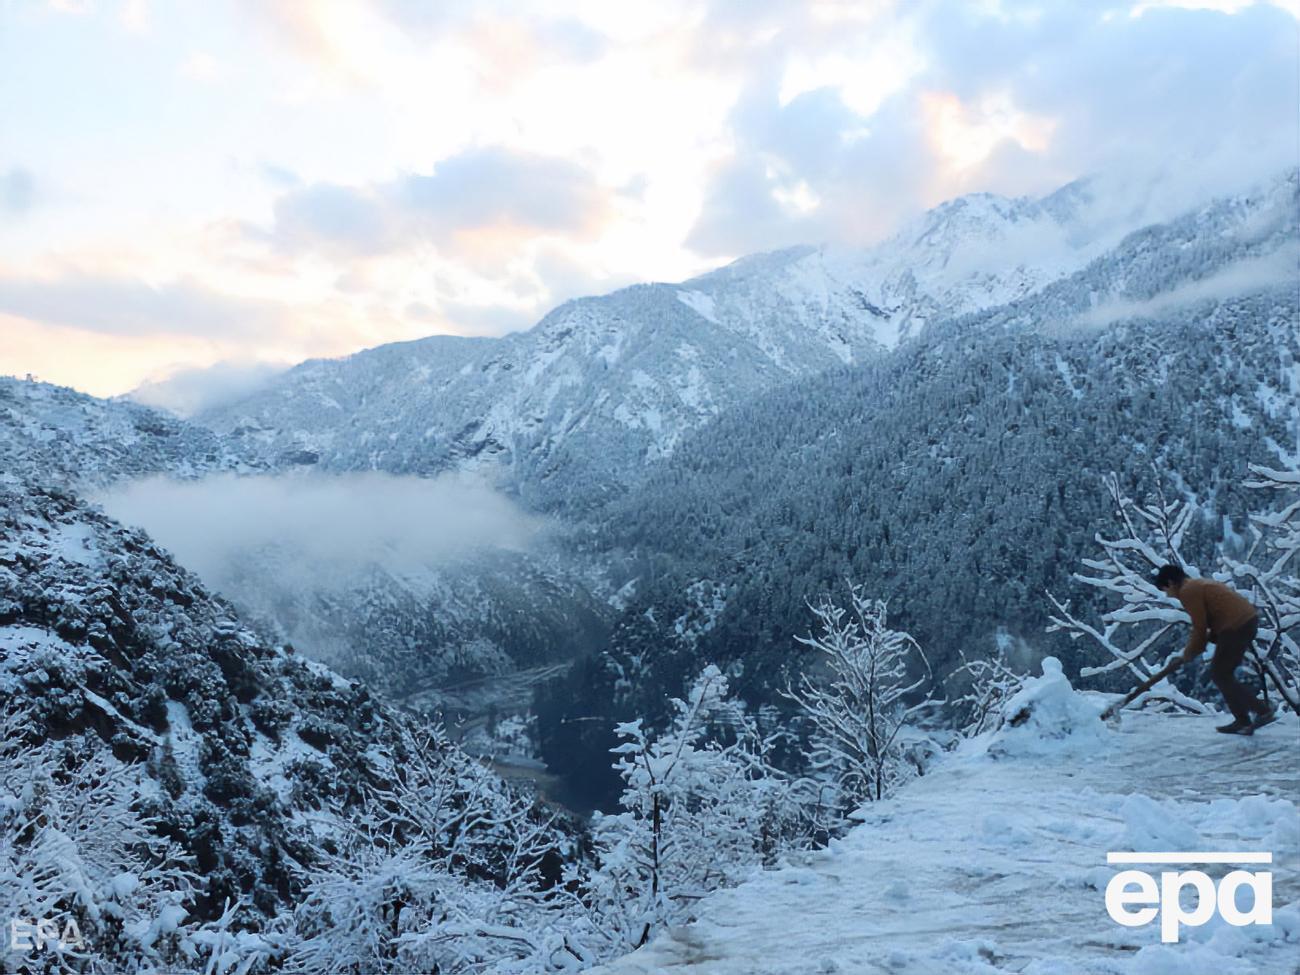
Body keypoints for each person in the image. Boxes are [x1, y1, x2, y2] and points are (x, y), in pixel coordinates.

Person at [1152, 564, 1276, 735]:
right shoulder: (1197, 585)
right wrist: (1207, 640)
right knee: (1222, 673)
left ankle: (1260, 712)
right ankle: (1244, 719)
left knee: (1221, 674)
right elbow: (1215, 615)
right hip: (1244, 621)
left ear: (1171, 583)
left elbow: (1199, 626)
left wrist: (1189, 652)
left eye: (1165, 589)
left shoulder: (1188, 591)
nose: (1167, 594)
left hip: (1237, 625)